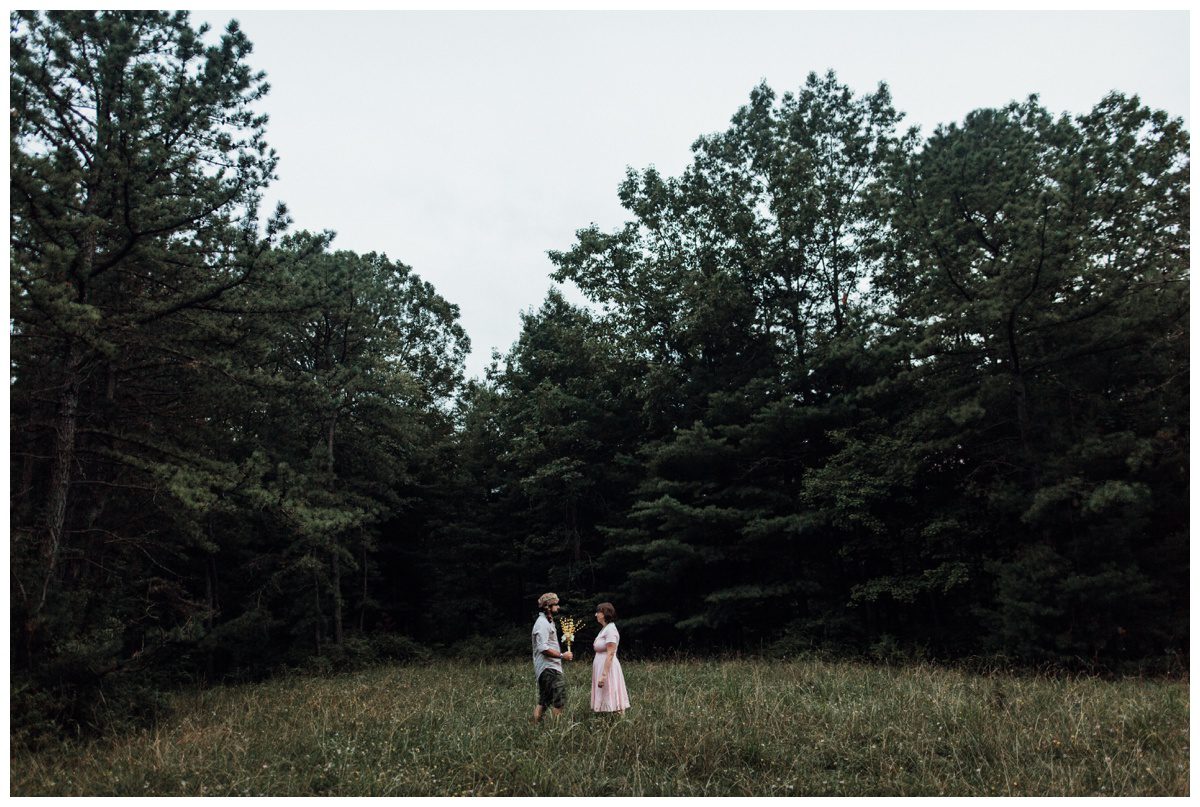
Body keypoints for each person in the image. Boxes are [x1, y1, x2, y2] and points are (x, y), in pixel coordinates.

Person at [531, 592, 573, 723]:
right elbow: (542, 648)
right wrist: (562, 655)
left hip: (549, 667)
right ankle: (557, 730)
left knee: (544, 700)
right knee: (559, 699)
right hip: (548, 668)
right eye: (556, 604)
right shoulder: (542, 623)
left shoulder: (548, 621)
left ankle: (534, 727)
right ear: (548, 606)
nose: (558, 607)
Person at [590, 602, 630, 714]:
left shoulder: (611, 629)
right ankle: (605, 720)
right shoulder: (605, 629)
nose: (596, 615)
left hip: (608, 668)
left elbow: (611, 653)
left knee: (612, 692)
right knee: (605, 693)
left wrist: (603, 675)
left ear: (604, 613)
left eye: (598, 612)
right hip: (601, 666)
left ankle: (619, 723)